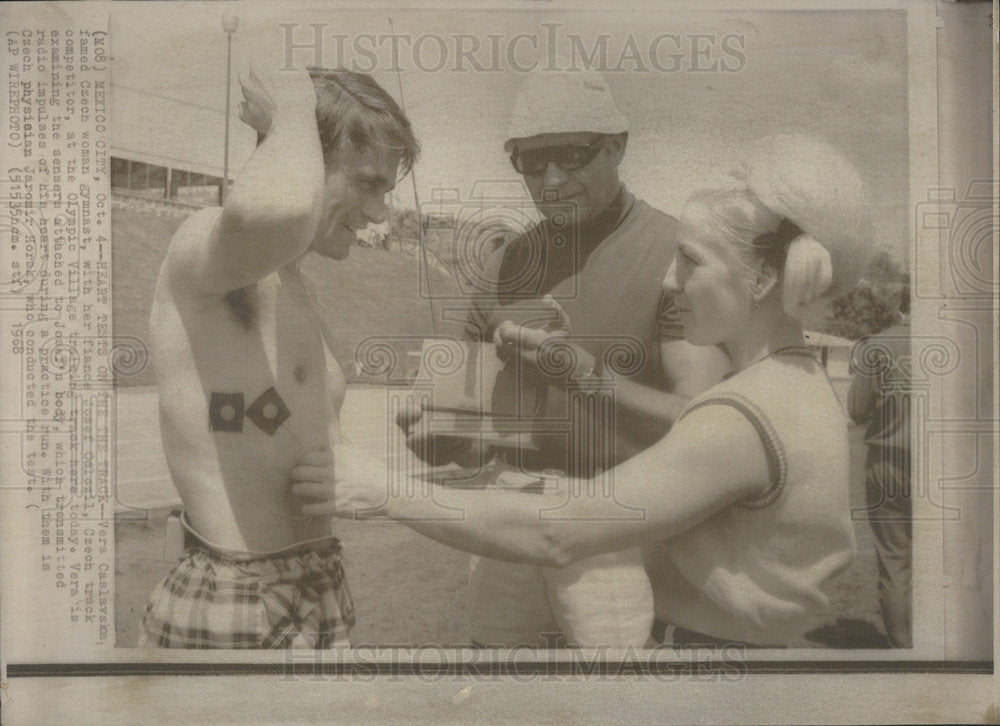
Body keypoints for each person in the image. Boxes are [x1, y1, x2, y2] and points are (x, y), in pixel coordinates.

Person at [296, 134, 875, 648]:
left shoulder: (743, 415)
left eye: (691, 261)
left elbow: (555, 530)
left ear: (762, 279)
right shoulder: (791, 384)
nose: (670, 280)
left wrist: (380, 490)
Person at [396, 67, 728, 648]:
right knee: (497, 691)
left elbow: (705, 422)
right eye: (530, 161)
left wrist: (583, 377)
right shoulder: (505, 260)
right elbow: (470, 428)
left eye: (572, 155)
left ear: (618, 146)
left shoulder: (674, 252)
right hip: (509, 512)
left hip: (618, 521)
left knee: (614, 700)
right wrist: (439, 434)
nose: (550, 180)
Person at [138, 65, 419, 648]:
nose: (378, 214)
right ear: (305, 159)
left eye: (385, 190)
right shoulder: (204, 241)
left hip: (313, 581)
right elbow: (278, 212)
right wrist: (292, 104)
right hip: (237, 588)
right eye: (366, 182)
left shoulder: (288, 280)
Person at [848, 287, 912, 647]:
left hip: (889, 460)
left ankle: (903, 648)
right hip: (946, 465)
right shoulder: (962, 343)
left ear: (901, 307)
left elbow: (857, 411)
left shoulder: (880, 344)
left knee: (894, 558)